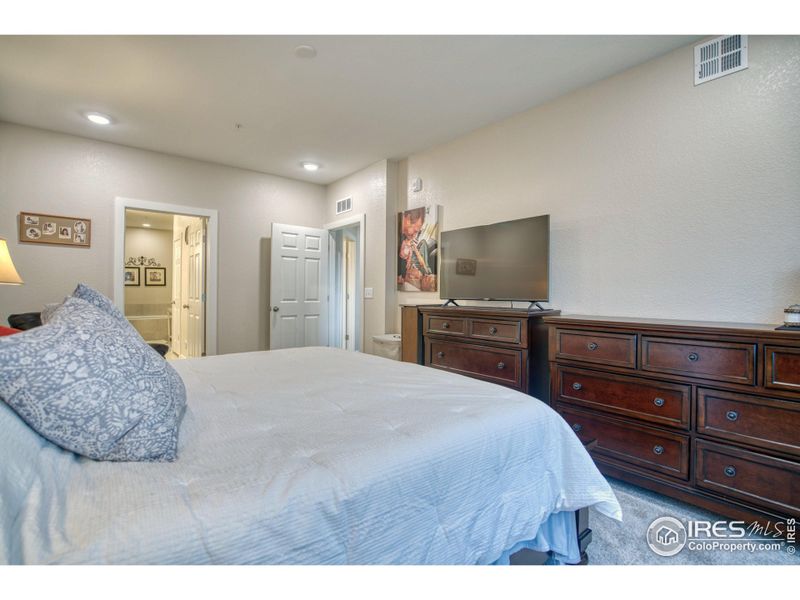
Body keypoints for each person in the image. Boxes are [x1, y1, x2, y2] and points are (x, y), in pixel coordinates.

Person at [397, 207, 436, 291]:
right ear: (407, 219)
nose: (415, 235)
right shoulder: (395, 235)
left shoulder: (404, 238)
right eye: (415, 231)